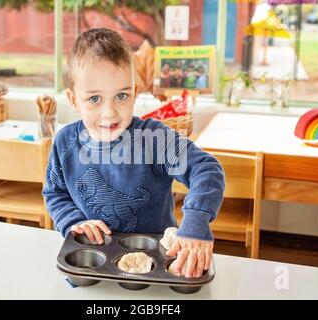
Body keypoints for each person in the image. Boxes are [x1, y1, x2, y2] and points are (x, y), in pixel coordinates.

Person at [42, 28, 225, 278]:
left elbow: (207, 170)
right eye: (94, 99)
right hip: (92, 264)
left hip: (156, 267)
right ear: (74, 100)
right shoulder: (65, 143)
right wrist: (72, 221)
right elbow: (56, 193)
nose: (110, 112)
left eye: (121, 96)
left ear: (135, 93)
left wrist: (196, 220)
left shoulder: (153, 139)